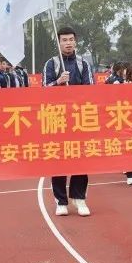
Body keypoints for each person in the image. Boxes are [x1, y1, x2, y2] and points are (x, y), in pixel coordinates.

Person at [43, 27, 94, 216]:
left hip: (80, 119)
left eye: (71, 39)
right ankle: (61, 201)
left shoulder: (84, 64)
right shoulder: (51, 64)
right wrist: (57, 83)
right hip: (57, 120)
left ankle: (79, 198)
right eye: (64, 40)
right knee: (59, 160)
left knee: (81, 159)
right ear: (58, 42)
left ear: (76, 41)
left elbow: (91, 91)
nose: (68, 43)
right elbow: (42, 91)